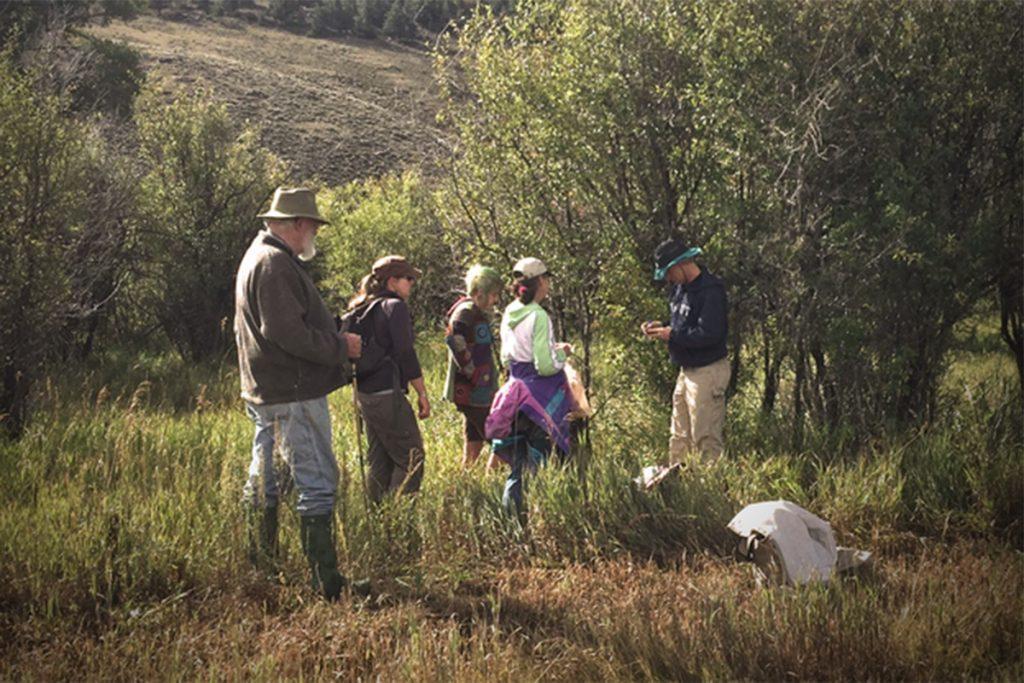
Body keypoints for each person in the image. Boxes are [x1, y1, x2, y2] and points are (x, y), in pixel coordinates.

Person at [235, 186, 365, 600]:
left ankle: (263, 571)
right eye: (312, 226)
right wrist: (339, 347)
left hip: (268, 391)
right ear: (297, 224)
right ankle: (325, 583)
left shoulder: (259, 255)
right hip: (292, 391)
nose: (314, 234)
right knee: (318, 481)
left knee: (267, 481)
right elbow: (286, 333)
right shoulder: (274, 263)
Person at [485, 257, 576, 524]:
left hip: (513, 392)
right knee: (539, 459)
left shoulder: (509, 312)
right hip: (539, 397)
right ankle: (536, 522)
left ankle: (511, 522)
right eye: (546, 280)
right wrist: (563, 354)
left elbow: (506, 358)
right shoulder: (538, 315)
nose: (548, 285)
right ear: (540, 282)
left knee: (518, 465)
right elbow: (545, 365)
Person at [348, 255, 430, 503]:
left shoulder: (361, 308)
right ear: (392, 281)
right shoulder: (395, 308)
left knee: (380, 461)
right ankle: (399, 520)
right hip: (386, 394)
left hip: (364, 395)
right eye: (408, 278)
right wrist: (422, 393)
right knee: (412, 460)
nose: (412, 283)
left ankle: (379, 520)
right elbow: (406, 354)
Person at [641, 238, 730, 462]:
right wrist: (659, 327)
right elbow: (681, 322)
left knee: (705, 437)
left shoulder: (711, 291)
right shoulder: (679, 289)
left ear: (681, 265)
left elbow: (709, 334)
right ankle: (680, 485)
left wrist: (672, 335)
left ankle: (712, 490)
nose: (668, 279)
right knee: (679, 435)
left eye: (669, 272)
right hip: (686, 371)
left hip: (708, 372)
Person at [443, 265, 503, 469]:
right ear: (479, 293)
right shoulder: (465, 312)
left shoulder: (474, 311)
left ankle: (467, 474)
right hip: (472, 389)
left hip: (477, 388)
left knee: (475, 431)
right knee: (498, 435)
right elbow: (454, 339)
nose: (496, 300)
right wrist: (472, 372)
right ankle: (495, 477)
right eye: (493, 295)